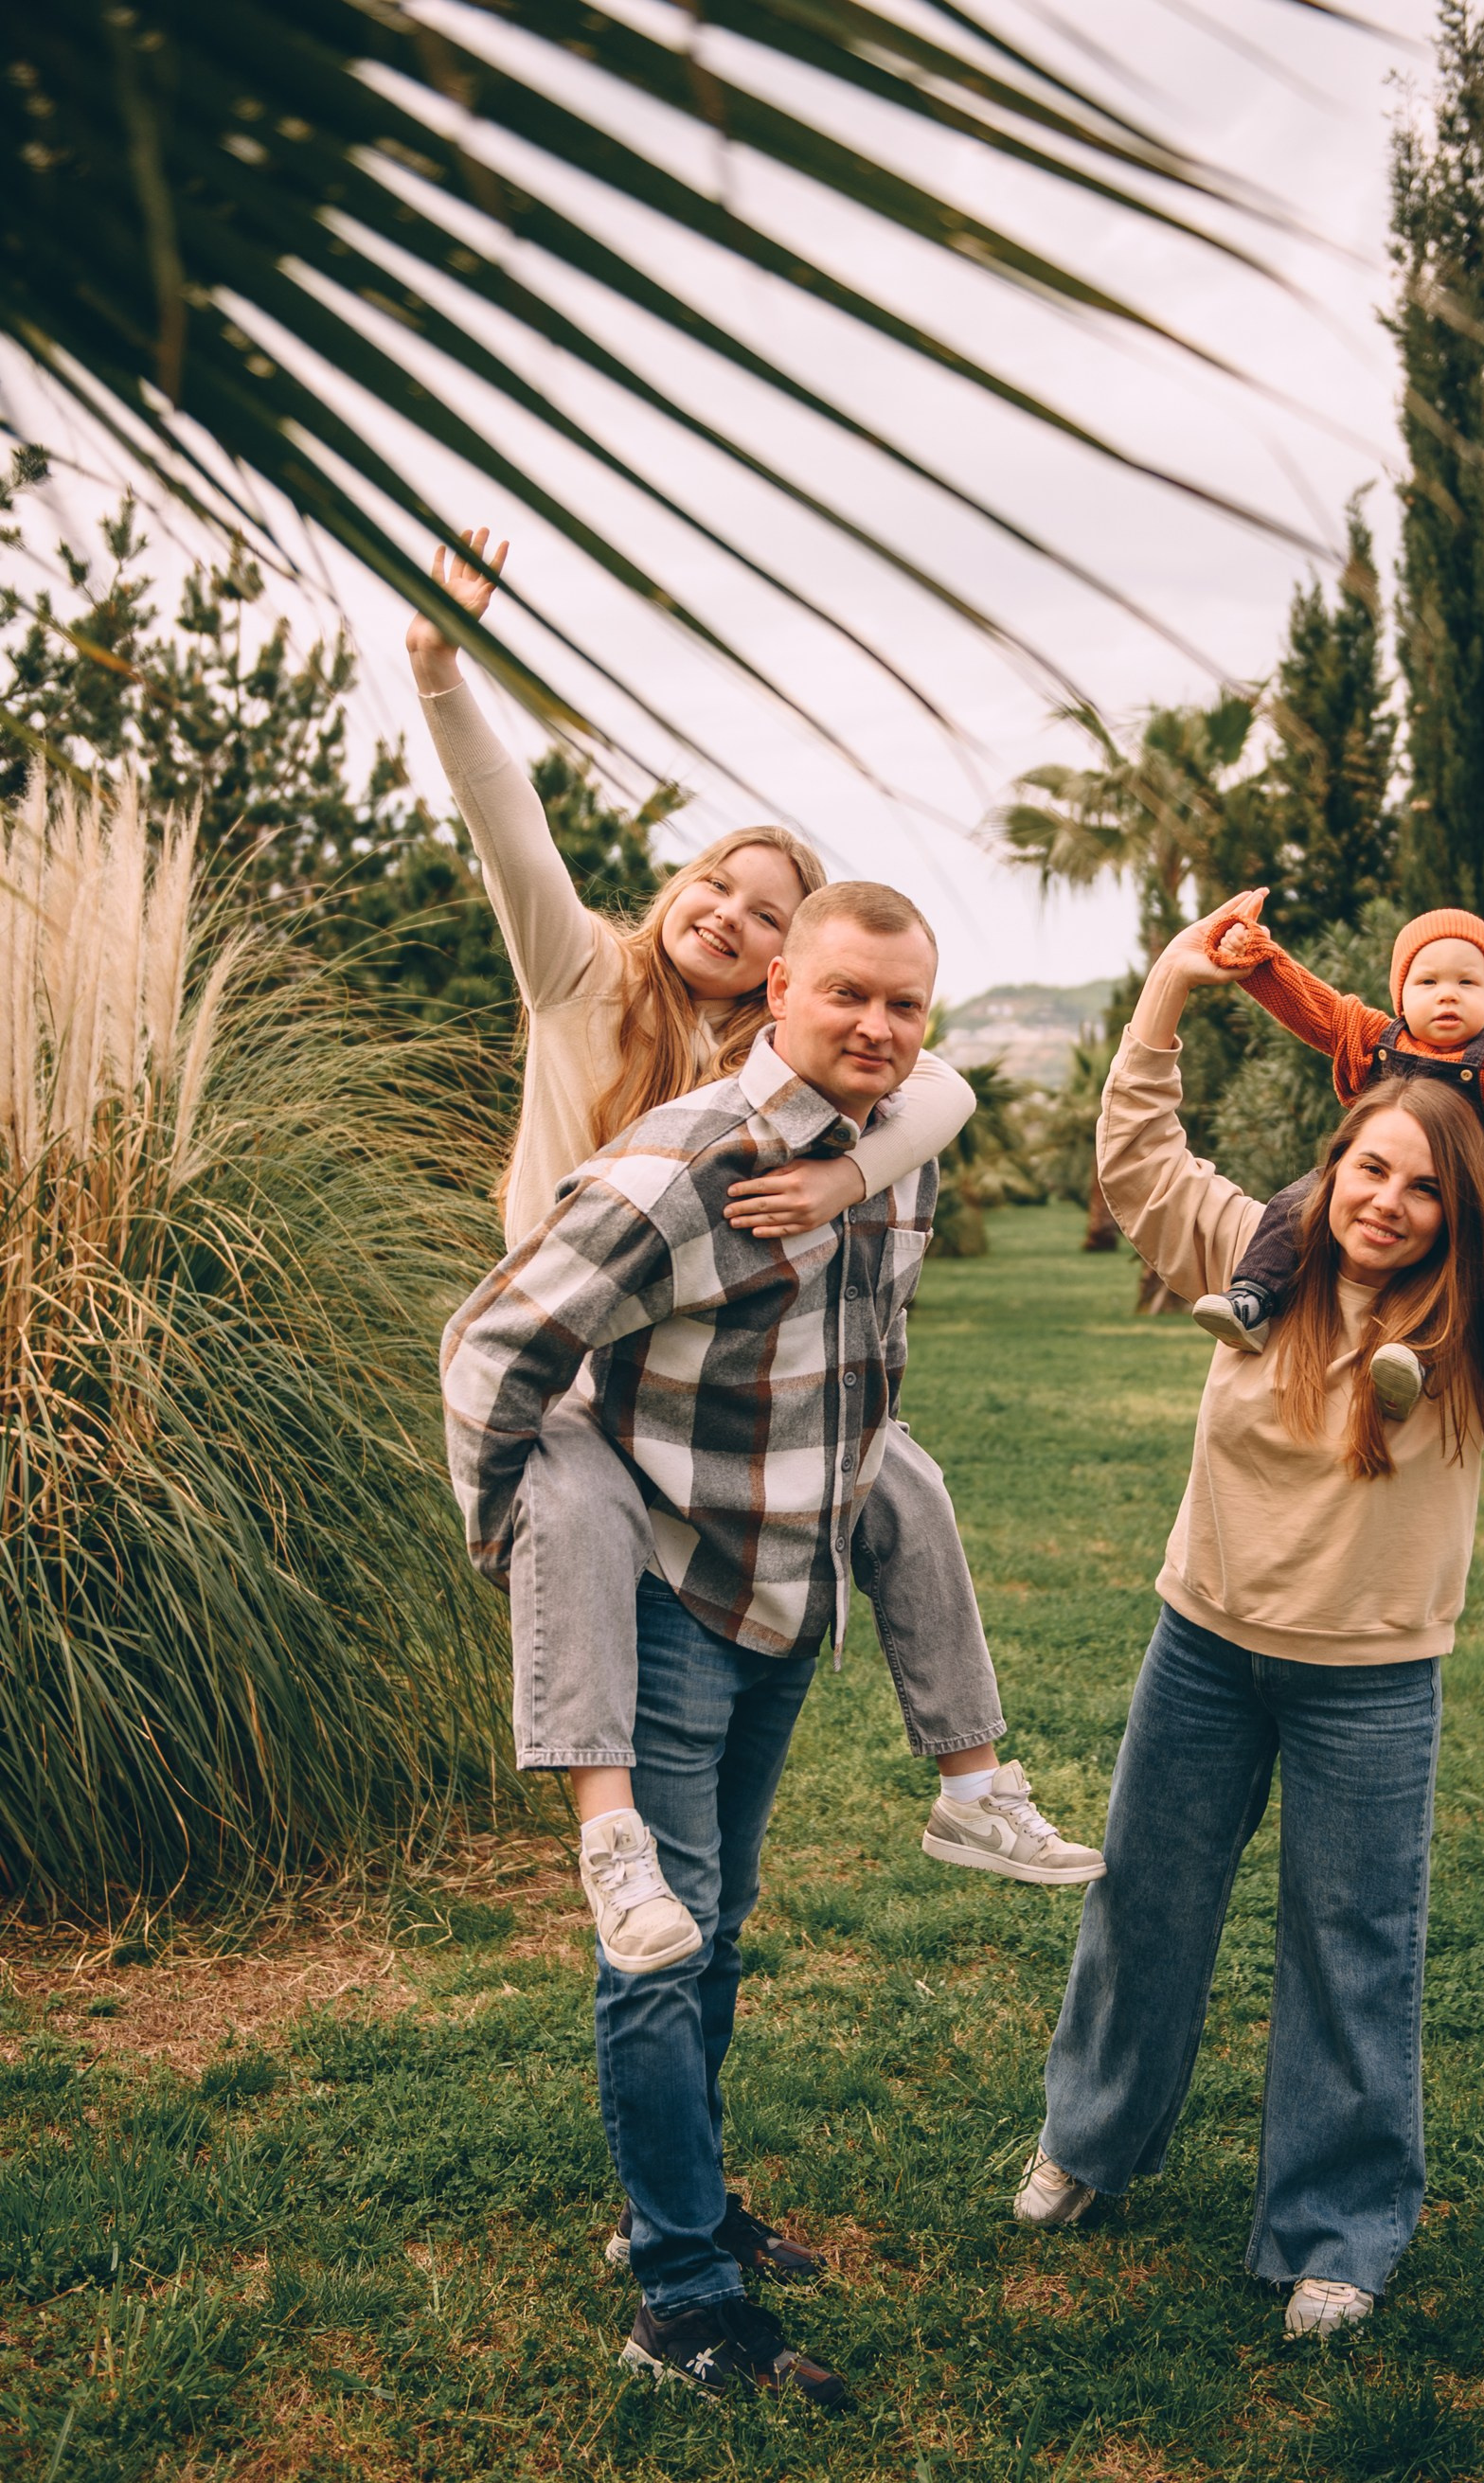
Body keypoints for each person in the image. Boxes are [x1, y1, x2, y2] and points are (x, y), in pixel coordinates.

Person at [410, 531, 1101, 1978]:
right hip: (580, 1361)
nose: (728, 914)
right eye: (717, 885)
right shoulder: (580, 975)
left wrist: (850, 1166)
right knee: (585, 1519)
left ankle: (972, 1778)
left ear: (786, 966)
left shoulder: (767, 1074)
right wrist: (439, 673)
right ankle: (607, 1837)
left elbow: (949, 1086)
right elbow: (507, 828)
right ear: (679, 890)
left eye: (766, 910)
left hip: (694, 1373)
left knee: (896, 1467)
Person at [1013, 904, 1484, 2339]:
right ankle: (1090, 2142)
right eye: (1367, 1170)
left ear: (1460, 1205)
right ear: (1332, 1170)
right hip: (1199, 1645)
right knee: (1144, 1900)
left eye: (1422, 1186)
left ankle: (1333, 2232)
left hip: (1370, 1683)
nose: (1387, 1200)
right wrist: (1168, 991)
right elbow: (1139, 1160)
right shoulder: (1252, 1267)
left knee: (1351, 1944)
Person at [443, 882, 991, 2400]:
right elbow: (499, 1339)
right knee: (661, 1951)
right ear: (779, 1000)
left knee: (719, 1923)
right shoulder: (690, 1158)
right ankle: (679, 2297)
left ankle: (668, 2214)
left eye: (902, 1005)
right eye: (846, 998)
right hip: (671, 1593)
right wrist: (511, 1531)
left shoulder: (882, 1161)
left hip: (782, 1592)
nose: (875, 1027)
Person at [1189, 892, 1484, 1420]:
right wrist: (1255, 959)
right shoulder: (1370, 1038)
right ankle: (1253, 1298)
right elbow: (1309, 1005)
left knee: (1483, 1277)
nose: (1447, 996)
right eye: (1428, 982)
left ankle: (1419, 1360)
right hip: (1370, 1178)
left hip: (1471, 1203)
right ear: (1401, 995)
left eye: (1467, 982)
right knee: (1296, 1204)